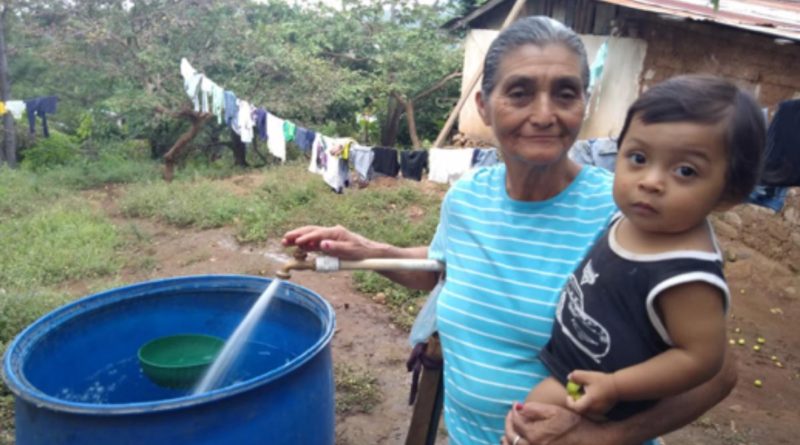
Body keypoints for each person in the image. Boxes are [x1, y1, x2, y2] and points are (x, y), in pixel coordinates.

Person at [282, 16, 737, 445]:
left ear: (585, 102)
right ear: (483, 105)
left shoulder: (631, 214)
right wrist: (367, 251)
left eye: (565, 93)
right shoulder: (468, 197)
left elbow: (716, 370)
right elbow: (443, 271)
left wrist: (602, 438)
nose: (544, 114)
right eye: (520, 93)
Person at [525, 75, 765, 422]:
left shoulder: (685, 275)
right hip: (577, 369)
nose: (650, 182)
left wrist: (617, 386)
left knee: (536, 416)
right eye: (638, 157)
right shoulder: (632, 219)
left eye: (685, 170)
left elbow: (701, 358)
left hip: (601, 396)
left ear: (729, 194)